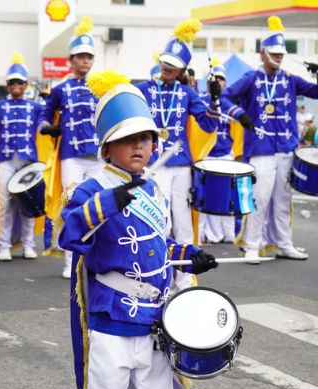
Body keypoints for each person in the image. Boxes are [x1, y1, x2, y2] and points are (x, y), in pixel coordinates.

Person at [58, 71, 219, 389]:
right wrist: (108, 202)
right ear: (105, 149)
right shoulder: (91, 189)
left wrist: (190, 257)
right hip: (112, 319)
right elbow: (68, 234)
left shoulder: (154, 188)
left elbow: (159, 246)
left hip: (155, 319)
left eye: (145, 139)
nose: (138, 145)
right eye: (126, 139)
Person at [223, 16, 318, 263]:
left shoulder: (290, 79)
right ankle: (252, 244)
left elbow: (316, 93)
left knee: (283, 200)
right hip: (260, 147)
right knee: (260, 198)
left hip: (286, 148)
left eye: (281, 54)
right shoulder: (250, 78)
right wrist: (240, 115)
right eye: (274, 53)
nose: (278, 57)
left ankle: (284, 243)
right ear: (262, 53)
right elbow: (224, 97)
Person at [134, 18, 226, 244]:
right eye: (166, 62)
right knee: (161, 219)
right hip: (154, 164)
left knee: (183, 220)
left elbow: (208, 124)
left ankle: (185, 278)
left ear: (181, 70)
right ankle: (160, 273)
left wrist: (215, 100)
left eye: (173, 64)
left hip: (181, 165)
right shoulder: (142, 89)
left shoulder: (187, 93)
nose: (167, 67)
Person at [41, 16, 102, 278]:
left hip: (100, 156)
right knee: (73, 205)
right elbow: (45, 111)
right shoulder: (61, 87)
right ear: (71, 60)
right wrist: (47, 126)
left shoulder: (102, 85)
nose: (85, 61)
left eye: (89, 56)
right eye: (80, 56)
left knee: (99, 206)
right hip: (71, 156)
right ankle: (70, 261)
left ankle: (97, 258)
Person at [0, 53, 47, 262]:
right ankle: (4, 245)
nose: (16, 85)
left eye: (20, 82)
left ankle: (28, 244)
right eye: (12, 82)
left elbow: (47, 117)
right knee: (5, 203)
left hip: (28, 161)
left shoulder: (35, 107)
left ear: (25, 85)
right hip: (5, 159)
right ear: (7, 85)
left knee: (28, 203)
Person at [198, 61, 248, 244]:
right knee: (204, 199)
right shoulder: (200, 100)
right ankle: (204, 235)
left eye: (221, 79)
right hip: (205, 156)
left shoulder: (228, 103)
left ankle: (228, 235)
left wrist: (238, 154)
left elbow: (239, 131)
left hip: (226, 155)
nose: (218, 82)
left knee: (226, 198)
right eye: (215, 78)